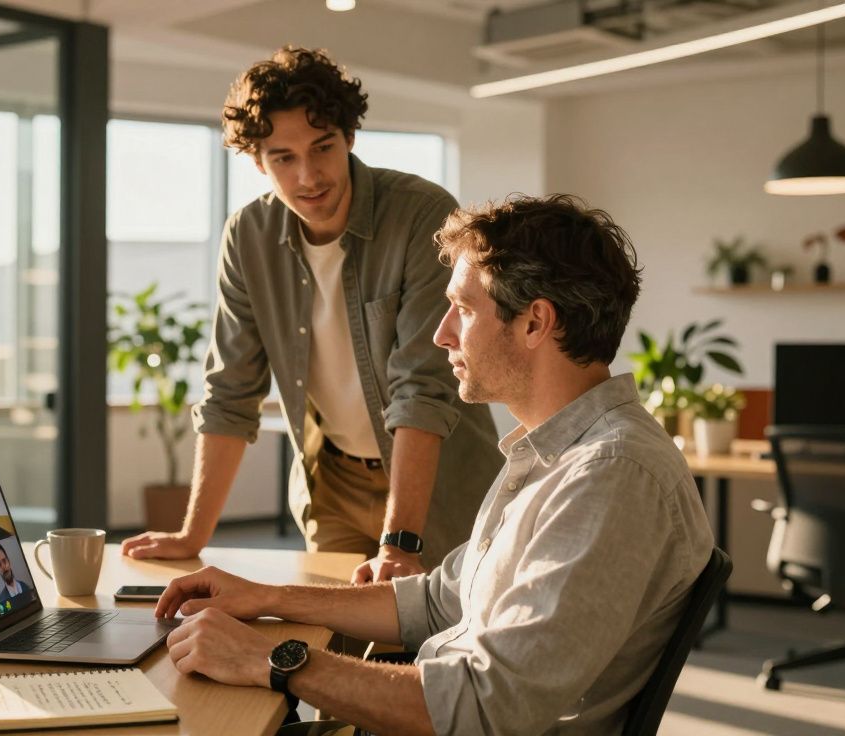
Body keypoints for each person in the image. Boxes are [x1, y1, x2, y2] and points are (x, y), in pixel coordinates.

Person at [153, 194, 715, 735]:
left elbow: (483, 708)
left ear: (535, 322)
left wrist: (275, 657)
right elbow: (437, 598)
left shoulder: (609, 477)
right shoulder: (553, 454)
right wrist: (269, 596)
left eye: (464, 309)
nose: (442, 333)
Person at [122, 46, 503, 582]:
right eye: (283, 157)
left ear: (349, 137)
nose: (308, 176)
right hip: (334, 486)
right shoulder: (248, 238)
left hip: (437, 481)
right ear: (258, 161)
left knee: (441, 645)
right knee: (324, 647)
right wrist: (192, 535)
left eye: (322, 147)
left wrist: (399, 542)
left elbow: (421, 388)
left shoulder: (420, 214)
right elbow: (231, 390)